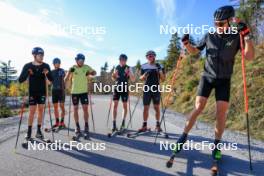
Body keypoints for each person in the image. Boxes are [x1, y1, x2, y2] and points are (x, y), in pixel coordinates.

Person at [173, 6, 254, 160]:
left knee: (221, 113)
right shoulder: (209, 35)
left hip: (224, 79)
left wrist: (247, 36)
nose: (217, 27)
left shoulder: (236, 36)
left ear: (230, 22)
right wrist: (186, 44)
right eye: (215, 23)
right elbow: (196, 51)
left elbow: (249, 56)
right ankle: (183, 137)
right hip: (207, 77)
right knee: (198, 107)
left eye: (221, 24)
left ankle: (216, 145)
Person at [18, 47, 53, 142]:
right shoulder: (27, 66)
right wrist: (27, 73)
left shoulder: (46, 66)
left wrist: (47, 73)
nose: (42, 57)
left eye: (43, 55)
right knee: (32, 112)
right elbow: (20, 79)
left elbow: (51, 79)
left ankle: (38, 132)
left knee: (41, 111)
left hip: (42, 92)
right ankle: (29, 132)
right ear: (34, 55)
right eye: (40, 55)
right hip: (32, 92)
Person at [64, 53, 96, 138]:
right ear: (76, 60)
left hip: (84, 92)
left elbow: (94, 73)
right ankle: (77, 126)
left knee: (85, 109)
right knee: (75, 109)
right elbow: (66, 79)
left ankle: (86, 125)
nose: (81, 62)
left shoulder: (86, 67)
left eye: (83, 60)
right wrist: (69, 73)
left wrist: (92, 72)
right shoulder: (73, 68)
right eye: (80, 60)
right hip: (74, 92)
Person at [139, 50, 166, 132]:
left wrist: (160, 71)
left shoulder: (160, 65)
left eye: (152, 55)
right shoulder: (143, 66)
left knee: (156, 107)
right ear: (146, 57)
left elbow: (163, 79)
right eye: (148, 56)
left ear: (155, 56)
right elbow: (141, 78)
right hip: (147, 89)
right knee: (145, 107)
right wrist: (144, 75)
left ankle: (158, 125)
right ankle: (144, 126)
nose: (150, 57)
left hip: (156, 89)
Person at [111, 54, 135, 132]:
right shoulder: (116, 67)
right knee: (115, 105)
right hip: (117, 88)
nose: (122, 61)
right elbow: (113, 78)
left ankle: (123, 123)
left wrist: (129, 74)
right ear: (119, 60)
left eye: (124, 60)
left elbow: (133, 79)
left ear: (126, 60)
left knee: (125, 106)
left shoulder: (129, 68)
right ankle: (114, 124)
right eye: (121, 59)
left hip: (124, 88)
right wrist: (114, 75)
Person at [50, 58, 66, 129]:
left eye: (58, 63)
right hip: (54, 91)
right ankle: (57, 122)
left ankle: (62, 122)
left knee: (62, 106)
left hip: (61, 90)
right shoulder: (51, 72)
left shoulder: (62, 70)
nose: (57, 64)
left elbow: (64, 79)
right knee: (55, 107)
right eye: (56, 63)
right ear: (53, 64)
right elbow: (49, 82)